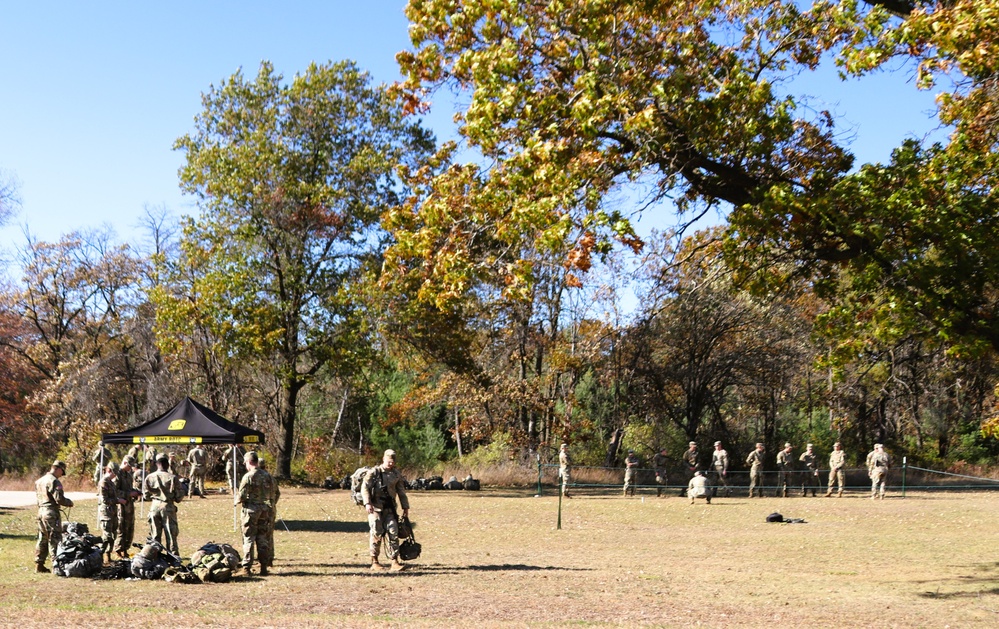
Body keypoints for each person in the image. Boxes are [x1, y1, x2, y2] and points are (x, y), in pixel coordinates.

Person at [361, 449, 411, 571]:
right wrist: (367, 503)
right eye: (389, 461)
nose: (390, 464)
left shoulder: (396, 474)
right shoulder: (374, 473)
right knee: (377, 533)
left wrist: (405, 507)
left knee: (393, 532)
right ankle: (374, 561)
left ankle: (394, 561)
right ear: (383, 459)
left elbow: (401, 492)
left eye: (392, 462)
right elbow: (365, 488)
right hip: (375, 509)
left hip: (390, 509)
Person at [236, 451, 276, 576]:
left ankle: (247, 567)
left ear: (249, 462)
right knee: (262, 538)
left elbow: (241, 496)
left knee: (249, 538)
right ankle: (264, 566)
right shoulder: (267, 475)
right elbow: (274, 492)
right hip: (265, 509)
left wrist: (237, 500)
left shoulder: (248, 476)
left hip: (251, 511)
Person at [34, 460, 74, 573]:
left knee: (42, 538)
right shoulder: (54, 481)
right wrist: (69, 502)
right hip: (51, 513)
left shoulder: (39, 481)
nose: (62, 475)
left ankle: (39, 564)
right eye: (62, 472)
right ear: (58, 469)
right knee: (55, 539)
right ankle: (56, 565)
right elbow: (59, 499)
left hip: (41, 512)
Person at [143, 452, 184, 555]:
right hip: (168, 506)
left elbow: (146, 496)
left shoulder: (149, 477)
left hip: (154, 506)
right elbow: (179, 496)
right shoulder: (172, 477)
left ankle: (155, 556)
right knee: (171, 533)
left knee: (155, 534)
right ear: (167, 463)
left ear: (157, 463)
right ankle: (173, 556)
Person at [97, 461, 126, 563]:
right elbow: (105, 500)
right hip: (106, 513)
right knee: (106, 536)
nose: (115, 475)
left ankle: (108, 556)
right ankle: (99, 556)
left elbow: (113, 496)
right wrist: (118, 500)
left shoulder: (111, 482)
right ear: (109, 470)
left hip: (112, 512)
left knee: (113, 534)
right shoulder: (103, 482)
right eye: (114, 473)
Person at [114, 455, 141, 559]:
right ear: (125, 463)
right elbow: (115, 491)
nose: (130, 468)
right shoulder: (117, 475)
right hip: (121, 505)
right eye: (129, 466)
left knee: (129, 528)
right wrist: (128, 494)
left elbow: (129, 488)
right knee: (121, 528)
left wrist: (136, 492)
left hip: (129, 505)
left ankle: (125, 549)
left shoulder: (128, 475)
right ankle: (118, 549)